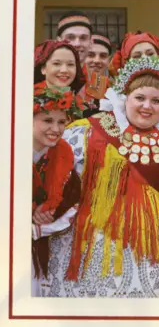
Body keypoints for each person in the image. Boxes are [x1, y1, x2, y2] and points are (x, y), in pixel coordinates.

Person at [42, 56, 159, 297]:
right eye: (139, 98)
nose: (147, 107)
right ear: (125, 98)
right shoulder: (89, 130)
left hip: (156, 250)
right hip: (99, 244)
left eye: (156, 100)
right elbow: (56, 178)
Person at [32, 83, 85, 296]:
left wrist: (48, 217)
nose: (56, 129)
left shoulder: (64, 154)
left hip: (41, 245)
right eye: (47, 120)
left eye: (62, 122)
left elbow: (73, 201)